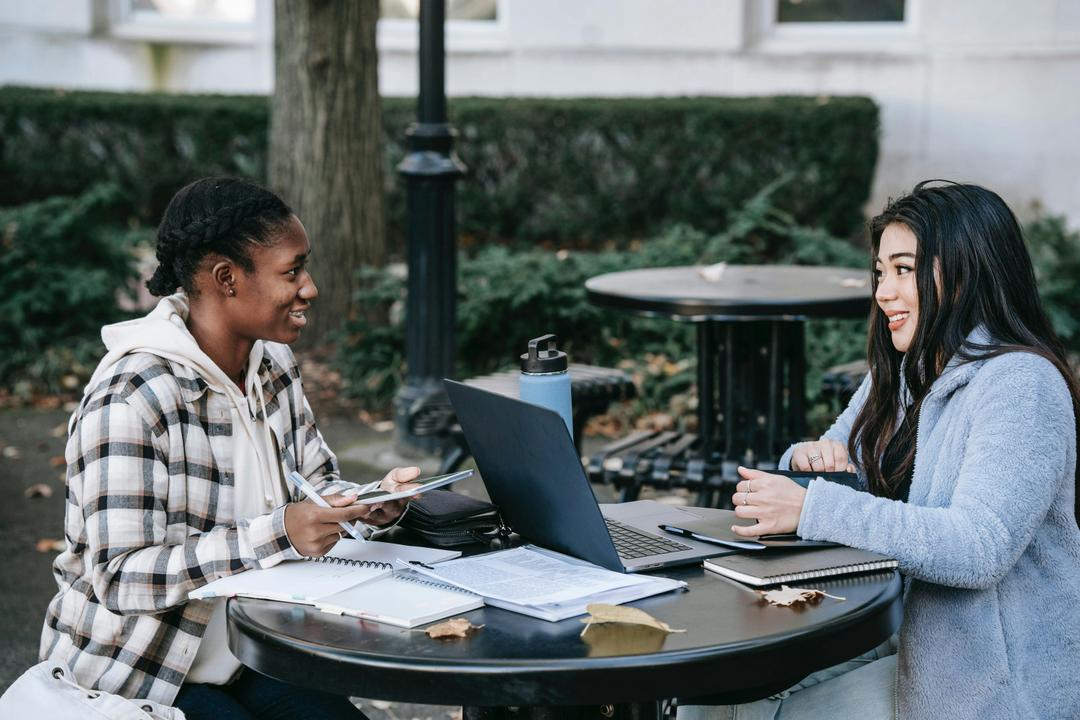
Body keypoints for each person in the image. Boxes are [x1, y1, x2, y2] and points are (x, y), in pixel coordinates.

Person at [679, 182, 1080, 720]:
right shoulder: (905, 372)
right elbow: (839, 463)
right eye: (879, 273)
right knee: (711, 694)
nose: (883, 292)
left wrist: (814, 507)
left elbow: (980, 546)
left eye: (903, 269)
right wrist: (805, 464)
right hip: (892, 628)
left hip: (986, 678)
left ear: (967, 270)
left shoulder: (1020, 385)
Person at [40, 177, 420, 719]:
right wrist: (280, 532)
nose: (309, 287)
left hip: (253, 652)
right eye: (292, 271)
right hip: (138, 675)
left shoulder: (271, 365)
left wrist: (369, 503)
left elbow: (314, 485)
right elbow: (121, 577)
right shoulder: (132, 398)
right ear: (227, 278)